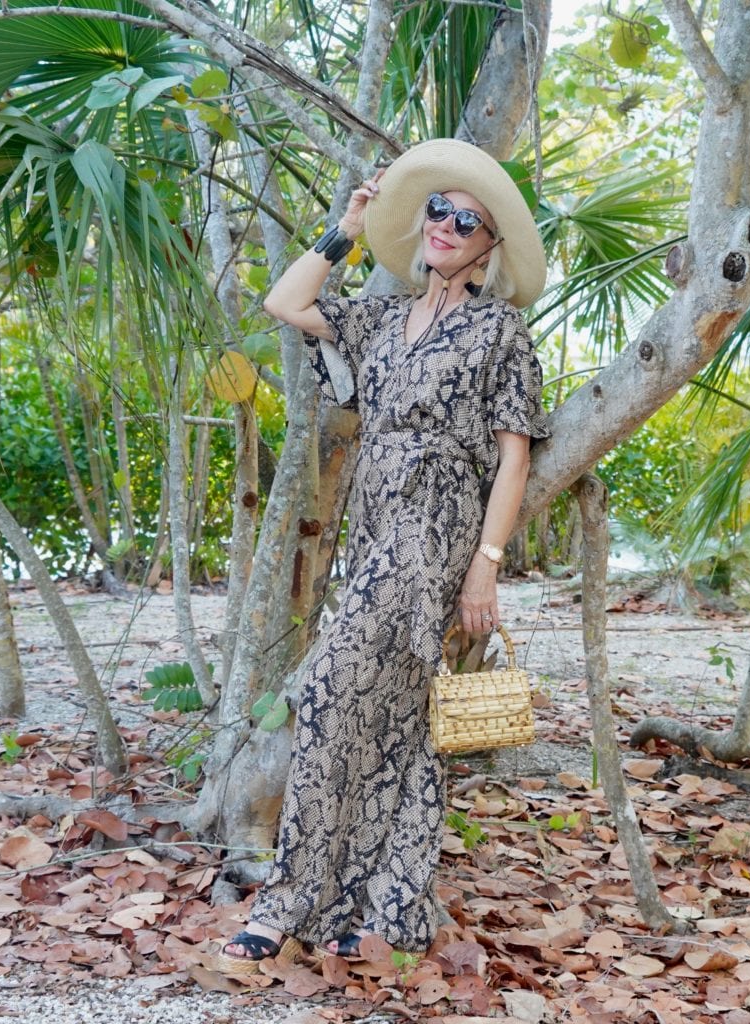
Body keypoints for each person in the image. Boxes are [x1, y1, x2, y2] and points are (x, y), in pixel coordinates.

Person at [214, 138, 550, 977]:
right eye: (436, 208)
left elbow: (513, 457)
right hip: (372, 526)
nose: (445, 223)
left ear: (489, 245)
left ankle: (291, 899)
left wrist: (488, 564)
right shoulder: (381, 318)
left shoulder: (500, 330)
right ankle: (377, 904)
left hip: (434, 532)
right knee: (395, 724)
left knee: (327, 695)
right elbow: (285, 302)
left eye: (465, 218)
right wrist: (347, 229)